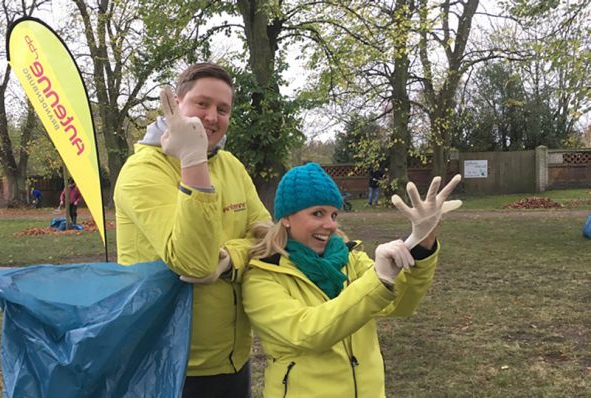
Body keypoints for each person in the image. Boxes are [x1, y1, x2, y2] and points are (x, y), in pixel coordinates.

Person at [113, 63, 271, 397]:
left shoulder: (231, 166)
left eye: (223, 109)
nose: (213, 116)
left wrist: (230, 260)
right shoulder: (142, 170)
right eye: (202, 104)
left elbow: (268, 237)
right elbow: (195, 263)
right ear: (176, 104)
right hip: (167, 363)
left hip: (232, 358)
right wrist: (192, 159)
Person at [242, 163, 461, 397]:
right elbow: (307, 332)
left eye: (334, 214)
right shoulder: (263, 276)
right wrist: (378, 280)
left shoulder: (350, 259)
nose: (330, 225)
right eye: (318, 213)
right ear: (286, 218)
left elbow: (399, 304)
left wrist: (423, 244)